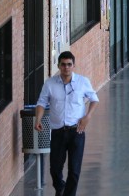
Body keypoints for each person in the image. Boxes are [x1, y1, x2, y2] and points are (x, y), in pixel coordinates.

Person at [34, 51, 99, 196]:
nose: (66, 68)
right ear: (59, 66)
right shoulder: (50, 84)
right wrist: (38, 119)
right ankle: (60, 187)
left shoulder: (83, 82)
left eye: (69, 64)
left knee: (74, 170)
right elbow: (41, 102)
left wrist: (87, 116)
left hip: (77, 131)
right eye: (63, 65)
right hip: (58, 131)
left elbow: (94, 99)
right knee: (55, 169)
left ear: (74, 66)